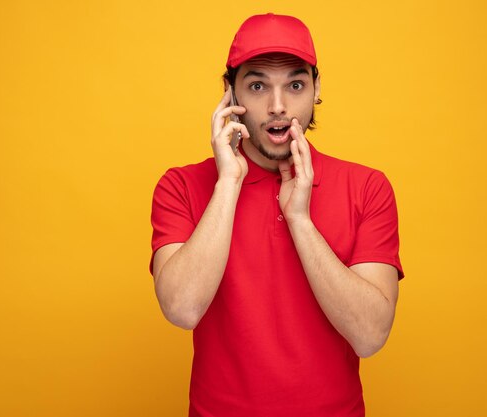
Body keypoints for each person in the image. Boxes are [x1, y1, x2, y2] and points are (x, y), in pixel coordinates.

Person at [149, 13, 403, 417]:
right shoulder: (180, 186)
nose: (278, 107)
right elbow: (182, 309)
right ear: (230, 93)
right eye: (256, 86)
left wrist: (300, 220)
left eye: (296, 85)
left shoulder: (367, 188)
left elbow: (370, 336)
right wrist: (228, 183)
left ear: (317, 89)